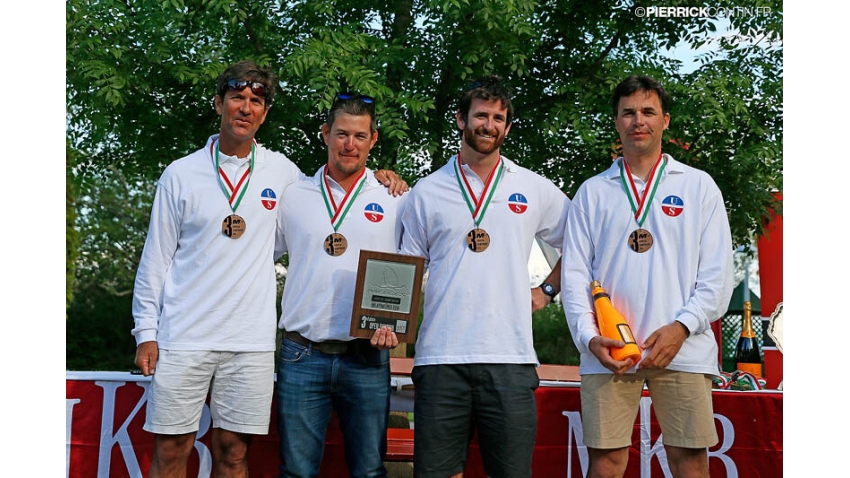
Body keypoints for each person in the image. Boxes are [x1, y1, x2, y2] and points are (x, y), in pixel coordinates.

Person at [131, 61, 405, 478]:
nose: (245, 108)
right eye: (237, 98)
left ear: (265, 112)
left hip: (251, 341)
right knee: (171, 451)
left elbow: (323, 218)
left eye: (255, 101)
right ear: (219, 103)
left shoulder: (285, 176)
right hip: (183, 336)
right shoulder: (181, 174)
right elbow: (156, 258)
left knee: (235, 454)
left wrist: (385, 178)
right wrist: (146, 332)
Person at [560, 75, 734, 478]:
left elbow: (717, 277)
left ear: (665, 120)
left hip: (683, 347)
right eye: (629, 113)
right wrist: (589, 339)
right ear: (617, 122)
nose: (639, 120)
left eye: (648, 111)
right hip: (610, 351)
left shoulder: (698, 186)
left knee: (689, 462)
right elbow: (574, 277)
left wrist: (682, 327)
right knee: (606, 463)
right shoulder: (593, 191)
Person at [399, 75, 570, 478]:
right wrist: (391, 325)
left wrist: (546, 290)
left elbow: (582, 243)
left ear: (507, 127)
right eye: (481, 115)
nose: (488, 125)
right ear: (461, 119)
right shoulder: (426, 191)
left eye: (498, 118)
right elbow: (407, 269)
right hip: (442, 357)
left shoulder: (532, 188)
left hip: (509, 358)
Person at [273, 92, 405, 478]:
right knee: (296, 472)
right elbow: (259, 256)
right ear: (325, 133)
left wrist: (394, 325)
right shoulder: (293, 195)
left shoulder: (395, 198)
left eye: (360, 136)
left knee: (368, 472)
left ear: (373, 140)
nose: (351, 145)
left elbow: (413, 269)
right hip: (302, 354)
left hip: (367, 356)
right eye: (342, 134)